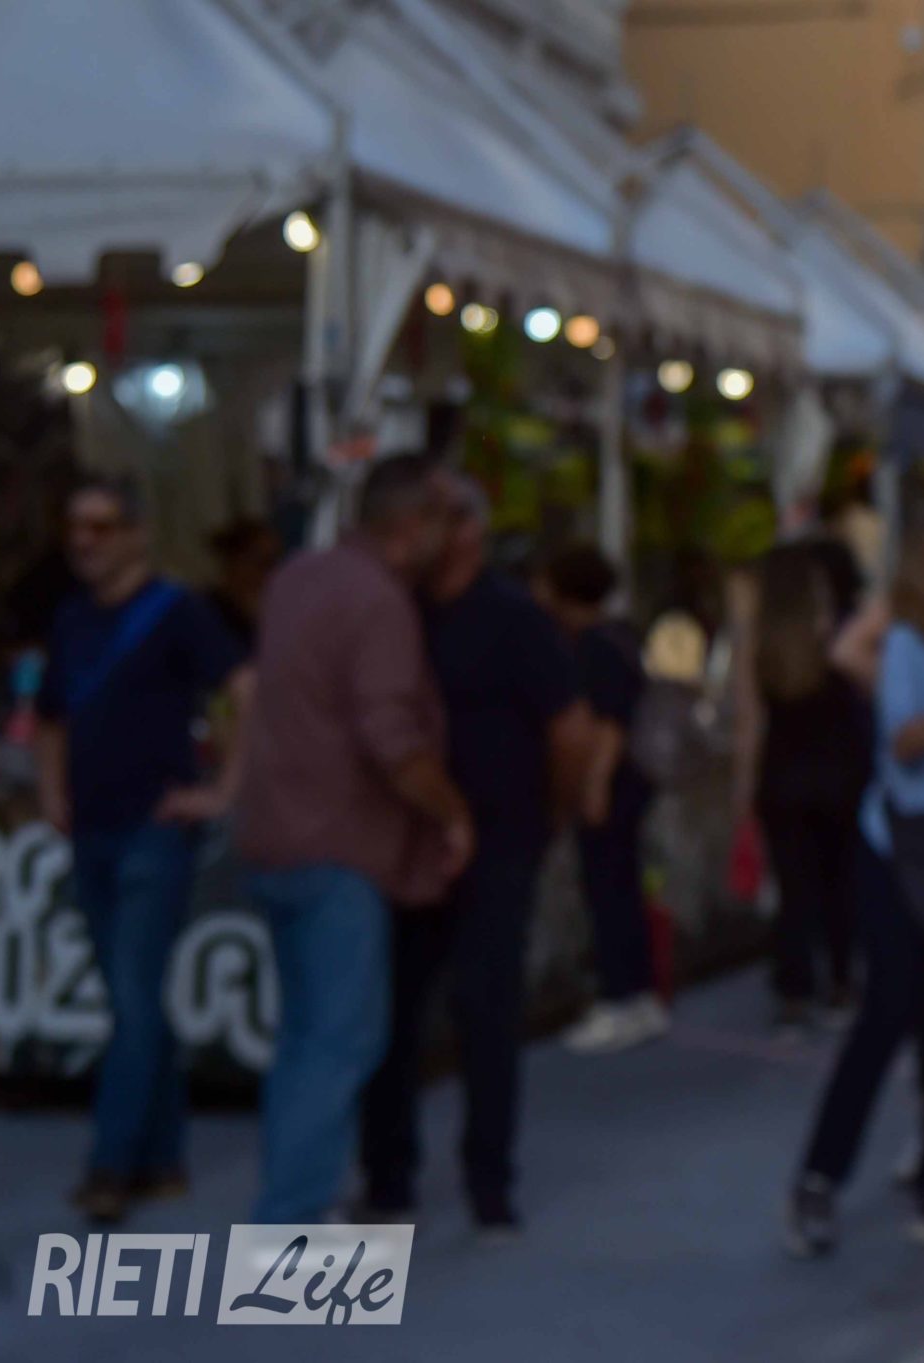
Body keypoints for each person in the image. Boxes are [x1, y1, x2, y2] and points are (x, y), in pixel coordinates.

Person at [236, 453, 471, 1226]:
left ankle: (294, 1203)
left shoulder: (298, 577)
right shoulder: (377, 600)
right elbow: (391, 738)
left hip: (278, 836)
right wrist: (450, 811)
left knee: (307, 1039)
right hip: (338, 848)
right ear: (410, 526)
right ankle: (291, 1223)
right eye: (441, 520)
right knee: (337, 1043)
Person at [358, 477, 588, 1236]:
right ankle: (388, 1175)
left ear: (468, 532)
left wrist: (548, 815)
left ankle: (489, 1179)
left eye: (439, 516)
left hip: (496, 840)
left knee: (487, 1010)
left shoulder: (515, 619)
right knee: (392, 1008)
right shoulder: (398, 610)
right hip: (412, 839)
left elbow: (569, 726)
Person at [784, 507, 924, 1258]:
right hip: (901, 852)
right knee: (886, 1015)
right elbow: (905, 743)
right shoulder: (910, 642)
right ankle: (818, 1178)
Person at [35, 475, 253, 1224]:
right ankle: (162, 1157)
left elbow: (242, 691)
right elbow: (52, 714)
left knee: (130, 1000)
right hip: (93, 826)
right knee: (134, 999)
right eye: (77, 525)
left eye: (100, 525)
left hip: (152, 830)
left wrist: (223, 787)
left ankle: (112, 1162)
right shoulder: (71, 620)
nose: (85, 539)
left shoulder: (178, 612)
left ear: (135, 534)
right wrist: (52, 788)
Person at [538, 543, 669, 1054]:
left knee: (609, 888)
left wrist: (592, 784)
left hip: (613, 783)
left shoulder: (594, 645)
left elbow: (610, 722)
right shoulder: (620, 636)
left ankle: (624, 995)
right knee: (620, 886)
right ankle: (633, 994)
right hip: (630, 781)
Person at [748, 543, 874, 1029]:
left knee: (793, 889)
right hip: (841, 777)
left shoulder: (764, 638)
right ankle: (841, 981)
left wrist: (745, 788)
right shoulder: (844, 631)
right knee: (841, 884)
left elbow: (750, 722)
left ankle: (795, 988)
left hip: (784, 779)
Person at [204, 516, 282, 652]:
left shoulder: (273, 617)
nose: (270, 574)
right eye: (262, 563)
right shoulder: (204, 614)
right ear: (234, 562)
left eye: (274, 563)